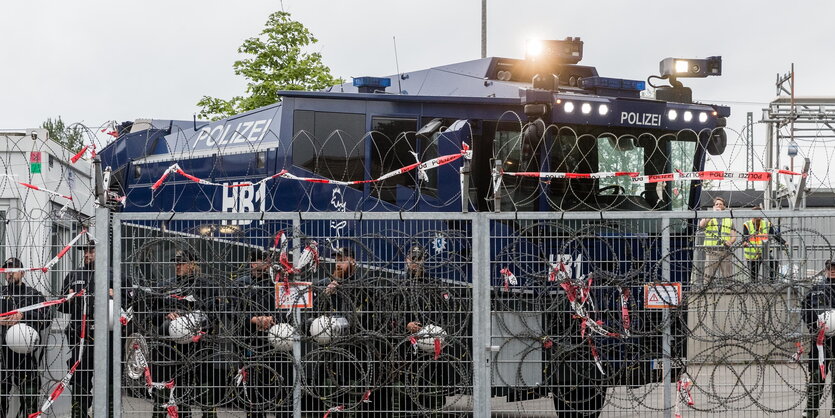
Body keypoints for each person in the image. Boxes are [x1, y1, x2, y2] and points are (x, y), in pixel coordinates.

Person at [140, 249, 219, 418]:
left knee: (198, 382)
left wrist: (190, 319)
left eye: (181, 262)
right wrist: (166, 315)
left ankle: (200, 414)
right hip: (167, 345)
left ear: (192, 265)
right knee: (162, 381)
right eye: (176, 262)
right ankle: (160, 412)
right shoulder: (166, 285)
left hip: (197, 345)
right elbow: (152, 315)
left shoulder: (206, 286)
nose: (177, 265)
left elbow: (214, 315)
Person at [58, 239, 128, 418]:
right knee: (80, 380)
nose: (87, 255)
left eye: (91, 251)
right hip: (80, 336)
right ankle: (80, 413)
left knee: (111, 379)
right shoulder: (74, 275)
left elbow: (131, 303)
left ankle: (110, 413)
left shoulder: (116, 275)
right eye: (85, 251)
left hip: (109, 337)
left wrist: (117, 295)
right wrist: (69, 298)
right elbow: (61, 306)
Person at [236, 250, 293, 417]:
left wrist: (271, 320)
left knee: (284, 392)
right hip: (251, 344)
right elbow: (231, 313)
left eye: (269, 262)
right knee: (254, 394)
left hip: (278, 345)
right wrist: (253, 319)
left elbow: (288, 312)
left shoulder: (279, 285)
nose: (268, 265)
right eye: (264, 261)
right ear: (253, 263)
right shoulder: (241, 285)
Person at [0, 257, 48, 417]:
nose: (10, 274)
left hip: (25, 355)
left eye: (13, 270)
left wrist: (24, 315)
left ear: (22, 272)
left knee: (30, 395)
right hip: (2, 354)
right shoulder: (0, 294)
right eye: (7, 271)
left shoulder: (33, 295)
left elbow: (46, 317)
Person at [802, 260, 835, 417]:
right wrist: (814, 325)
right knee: (816, 373)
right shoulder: (817, 289)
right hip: (820, 339)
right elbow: (806, 308)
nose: (832, 270)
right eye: (830, 268)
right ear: (826, 270)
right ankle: (811, 408)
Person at [741, 205, 785, 282]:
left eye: (760, 214)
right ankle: (754, 285)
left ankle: (772, 281)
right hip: (752, 254)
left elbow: (774, 234)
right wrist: (744, 242)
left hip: (764, 252)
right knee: (754, 274)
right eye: (756, 214)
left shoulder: (766, 224)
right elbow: (745, 236)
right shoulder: (747, 224)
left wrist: (783, 242)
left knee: (774, 264)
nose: (758, 217)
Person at [698, 197, 737, 283]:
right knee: (709, 274)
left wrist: (730, 242)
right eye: (716, 204)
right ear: (713, 206)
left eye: (720, 204)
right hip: (711, 250)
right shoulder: (709, 217)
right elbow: (701, 225)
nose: (718, 205)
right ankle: (707, 291)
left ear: (724, 207)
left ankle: (729, 290)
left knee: (727, 274)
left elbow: (734, 236)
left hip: (725, 250)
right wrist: (712, 214)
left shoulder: (728, 220)